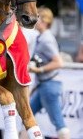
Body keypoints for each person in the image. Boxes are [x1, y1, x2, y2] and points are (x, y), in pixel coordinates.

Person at [28, 7, 70, 139]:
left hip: (49, 86)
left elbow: (59, 62)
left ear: (45, 21)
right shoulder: (41, 37)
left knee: (59, 124)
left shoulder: (47, 39)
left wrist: (38, 70)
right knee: (28, 117)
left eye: (38, 17)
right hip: (44, 85)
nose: (35, 20)